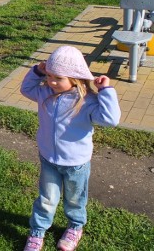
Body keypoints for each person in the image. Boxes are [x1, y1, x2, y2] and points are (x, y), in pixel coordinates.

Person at [20, 46, 121, 251]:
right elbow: (25, 89)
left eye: (58, 77)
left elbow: (111, 120)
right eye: (49, 76)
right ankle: (37, 232)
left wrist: (106, 91)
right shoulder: (44, 93)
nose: (51, 82)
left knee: (75, 199)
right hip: (48, 159)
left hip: (76, 164)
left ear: (75, 78)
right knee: (46, 199)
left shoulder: (87, 103)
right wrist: (37, 72)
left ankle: (75, 227)